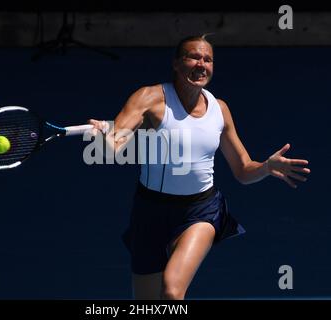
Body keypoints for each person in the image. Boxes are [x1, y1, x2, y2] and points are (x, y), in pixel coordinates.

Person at [88, 35, 310, 300]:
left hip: (201, 210)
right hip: (149, 213)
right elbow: (114, 147)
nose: (201, 64)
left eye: (208, 59)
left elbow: (243, 169)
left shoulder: (220, 110)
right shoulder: (148, 98)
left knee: (172, 290)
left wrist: (265, 167)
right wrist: (103, 140)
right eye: (193, 57)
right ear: (176, 63)